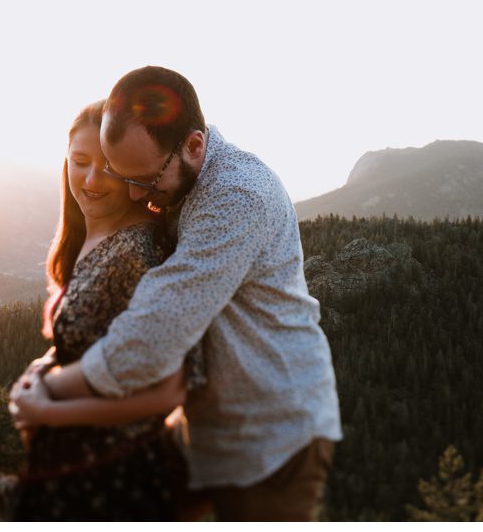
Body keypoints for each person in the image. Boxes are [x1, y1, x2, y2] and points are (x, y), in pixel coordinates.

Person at [33, 66, 342, 521]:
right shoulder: (179, 175)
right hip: (206, 430)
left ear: (194, 146)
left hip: (272, 436)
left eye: (145, 181)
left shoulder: (238, 196)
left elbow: (158, 329)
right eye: (127, 179)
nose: (137, 197)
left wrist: (51, 388)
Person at [8, 99, 205, 521]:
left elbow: (168, 392)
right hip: (66, 471)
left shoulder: (140, 250)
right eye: (80, 162)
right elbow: (84, 344)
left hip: (117, 482)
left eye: (110, 168)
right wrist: (37, 373)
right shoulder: (85, 239)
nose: (93, 179)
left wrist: (48, 412)